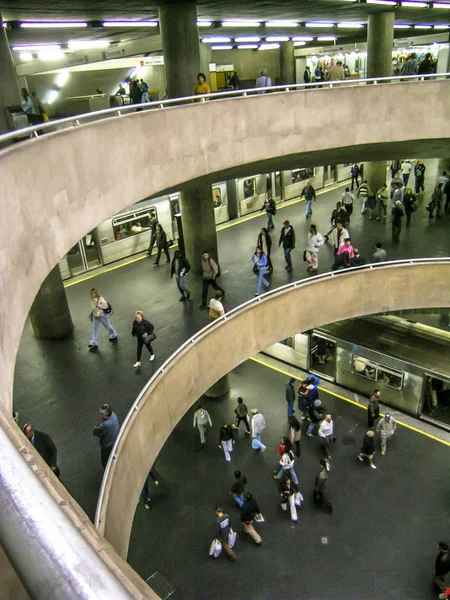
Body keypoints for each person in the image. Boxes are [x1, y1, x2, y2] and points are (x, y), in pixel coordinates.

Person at [93, 404, 119, 468]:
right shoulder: (113, 415)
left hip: (108, 444)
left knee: (106, 459)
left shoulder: (105, 425)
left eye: (101, 414)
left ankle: (107, 469)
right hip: (115, 439)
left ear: (105, 415)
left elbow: (95, 431)